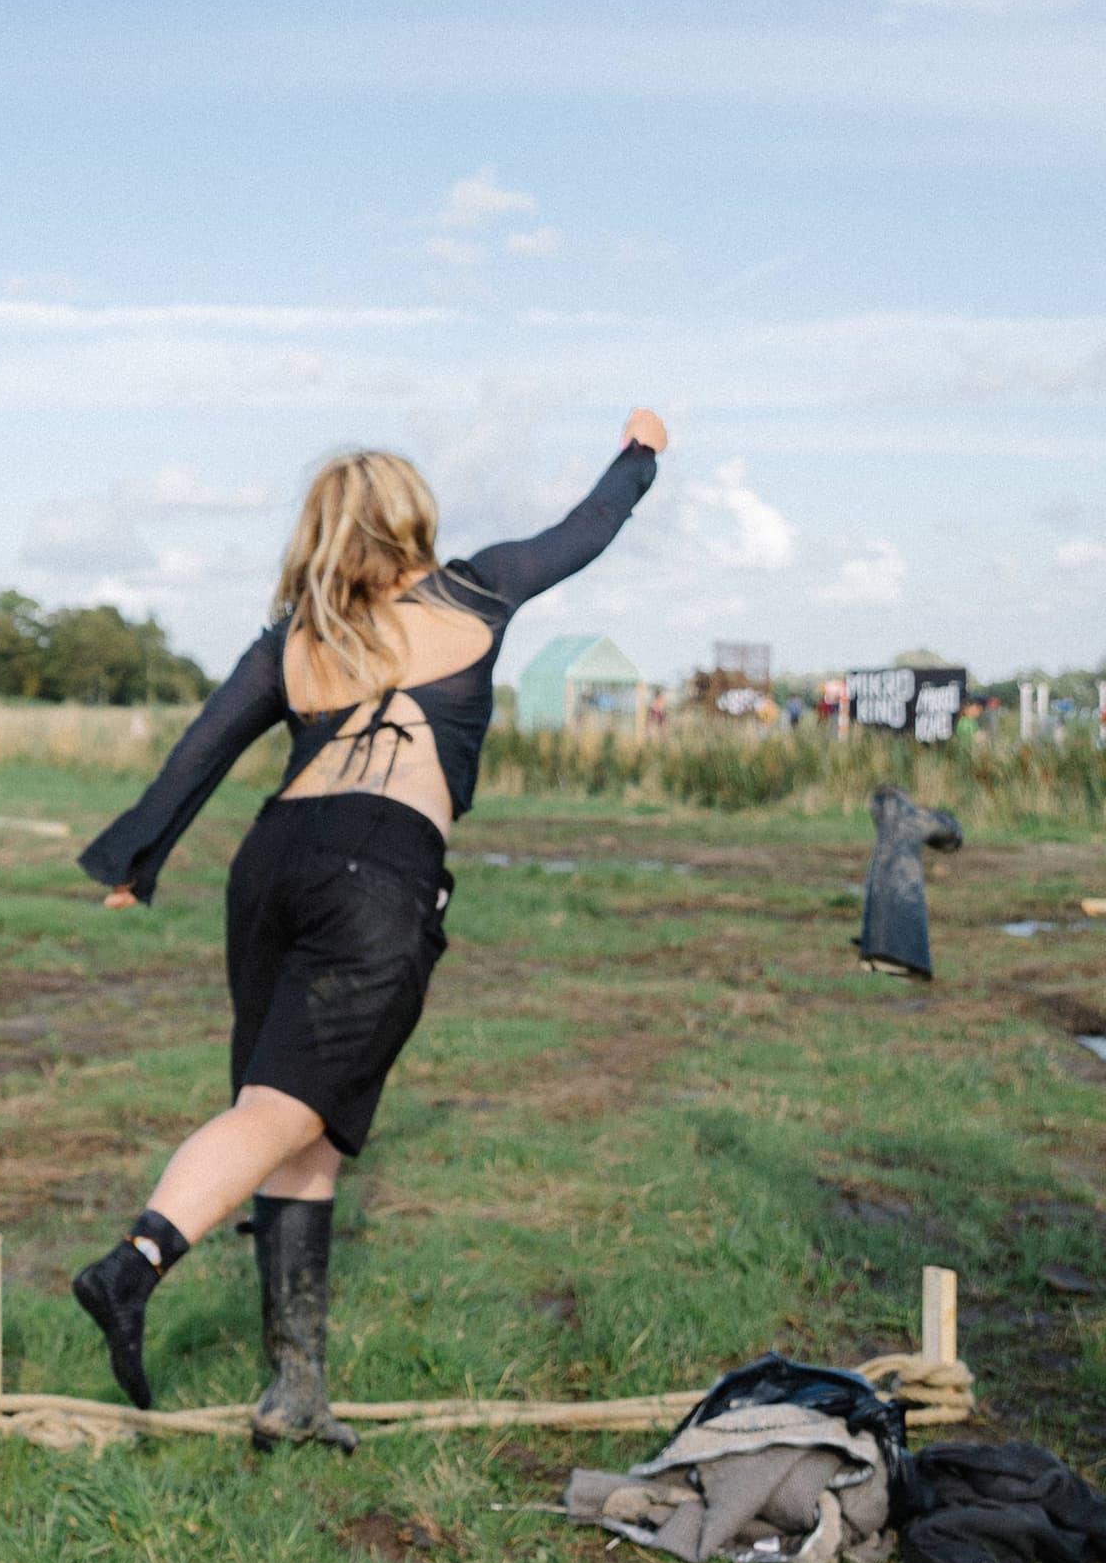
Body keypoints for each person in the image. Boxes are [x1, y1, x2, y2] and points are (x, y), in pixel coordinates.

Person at [70, 413, 668, 1449]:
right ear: (414, 520)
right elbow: (590, 526)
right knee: (278, 1113)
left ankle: (294, 1391)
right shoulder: (476, 589)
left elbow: (197, 753)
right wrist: (642, 452)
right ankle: (136, 1264)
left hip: (271, 866)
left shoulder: (296, 640)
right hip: (378, 876)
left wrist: (137, 860)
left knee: (300, 1127)